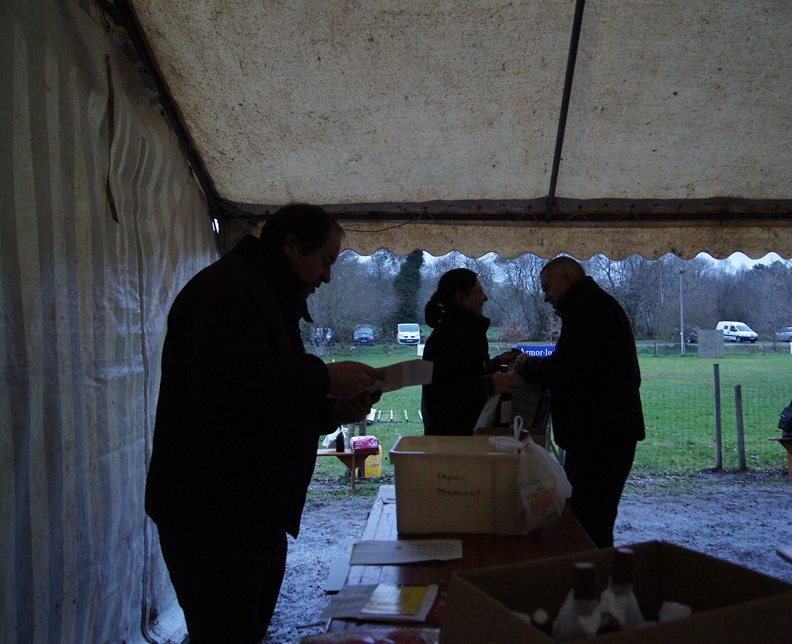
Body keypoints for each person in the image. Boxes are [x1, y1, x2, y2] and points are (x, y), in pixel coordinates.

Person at [144, 203, 383, 643]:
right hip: (212, 513)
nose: (327, 276)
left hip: (248, 511)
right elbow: (224, 387)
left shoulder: (265, 294)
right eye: (325, 260)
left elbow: (264, 402)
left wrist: (329, 412)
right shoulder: (227, 292)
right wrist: (322, 376)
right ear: (291, 245)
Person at [514, 256, 645, 548]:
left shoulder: (588, 309)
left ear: (566, 278)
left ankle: (594, 583)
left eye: (548, 287)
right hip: (602, 433)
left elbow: (567, 368)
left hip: (601, 436)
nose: (546, 296)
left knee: (588, 522)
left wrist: (526, 366)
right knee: (589, 517)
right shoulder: (592, 306)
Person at [420, 268, 518, 436]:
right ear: (461, 297)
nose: (485, 298)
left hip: (465, 438)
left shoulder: (462, 332)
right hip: (453, 444)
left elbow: (464, 373)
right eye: (479, 292)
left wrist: (495, 363)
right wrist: (491, 384)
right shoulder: (446, 338)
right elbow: (443, 394)